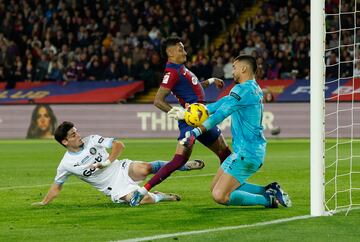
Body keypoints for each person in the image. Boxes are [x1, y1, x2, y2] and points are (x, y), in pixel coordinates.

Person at [130, 36, 232, 206]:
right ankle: (143, 190)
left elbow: (195, 87)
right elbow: (158, 100)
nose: (185, 52)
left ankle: (227, 188)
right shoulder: (171, 73)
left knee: (225, 154)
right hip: (192, 120)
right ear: (170, 52)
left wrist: (212, 81)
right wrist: (181, 114)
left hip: (201, 118)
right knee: (180, 160)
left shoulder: (181, 69)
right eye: (180, 49)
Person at [181, 55, 291, 208]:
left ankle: (268, 200)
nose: (232, 71)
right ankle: (268, 190)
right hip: (244, 151)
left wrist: (195, 132)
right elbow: (223, 103)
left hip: (247, 153)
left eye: (234, 67)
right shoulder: (252, 88)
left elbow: (221, 114)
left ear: (244, 68)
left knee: (220, 195)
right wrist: (198, 110)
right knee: (215, 187)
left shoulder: (242, 90)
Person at [32, 121, 204, 207]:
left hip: (121, 168)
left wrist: (107, 162)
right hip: (113, 187)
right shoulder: (66, 164)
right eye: (73, 135)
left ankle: (182, 164)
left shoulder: (92, 140)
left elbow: (119, 145)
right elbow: (57, 186)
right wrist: (44, 202)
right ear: (64, 142)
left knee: (146, 168)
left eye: (76, 132)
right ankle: (161, 196)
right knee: (138, 200)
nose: (78, 136)